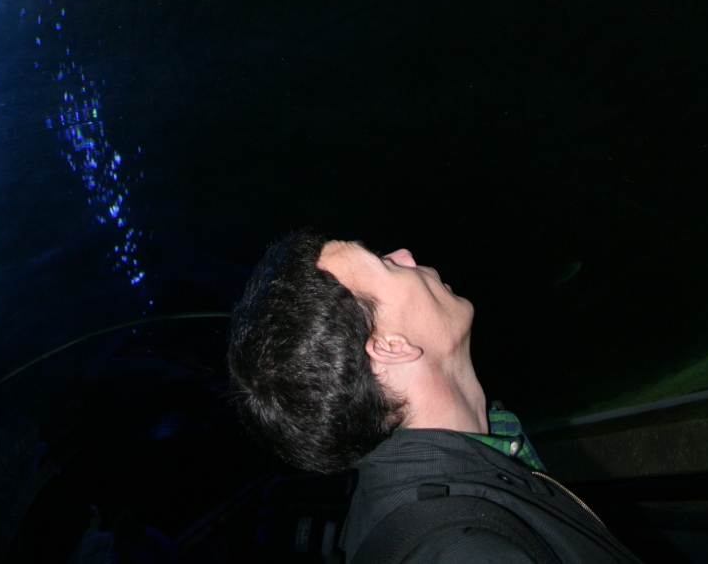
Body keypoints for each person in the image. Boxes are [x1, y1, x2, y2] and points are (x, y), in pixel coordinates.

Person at [228, 230, 641, 563]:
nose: (405, 254)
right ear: (391, 346)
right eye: (386, 264)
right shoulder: (464, 550)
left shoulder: (414, 493)